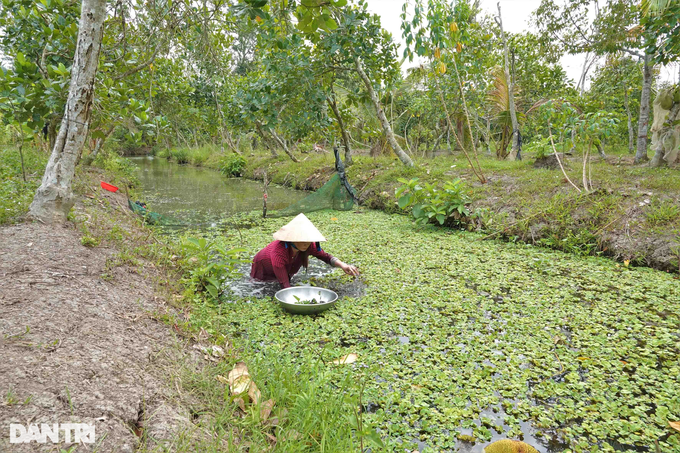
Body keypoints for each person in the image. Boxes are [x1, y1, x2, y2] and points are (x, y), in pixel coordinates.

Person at [250, 213, 359, 288]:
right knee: (264, 285)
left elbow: (325, 256)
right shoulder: (279, 253)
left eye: (308, 239)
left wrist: (342, 265)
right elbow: (284, 284)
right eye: (301, 239)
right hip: (262, 269)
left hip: (283, 268)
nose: (306, 242)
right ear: (292, 238)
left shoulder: (308, 245)